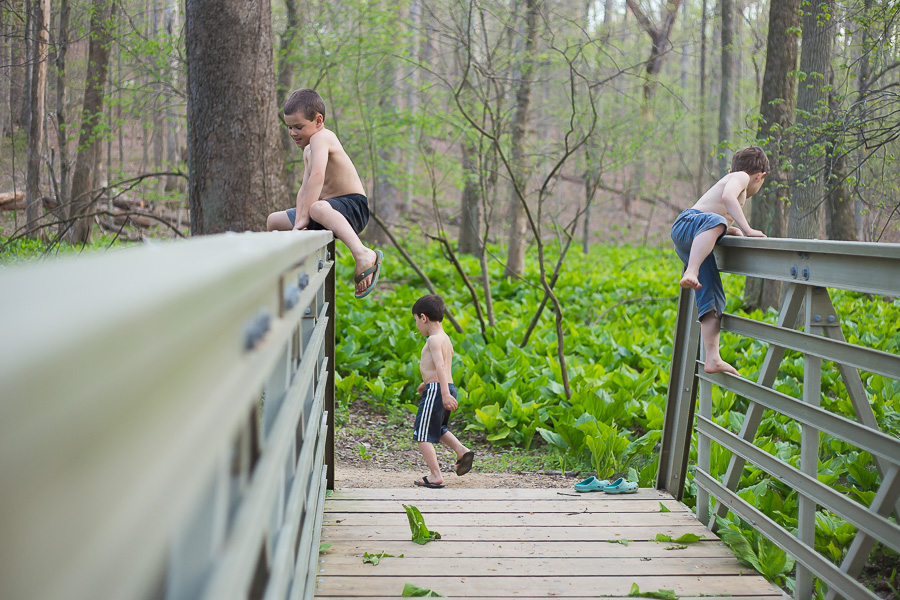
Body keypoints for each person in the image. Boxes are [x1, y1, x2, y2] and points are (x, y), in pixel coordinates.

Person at [267, 88, 383, 299]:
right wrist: (297, 225)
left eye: (298, 126)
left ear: (318, 120)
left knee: (317, 206)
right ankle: (284, 274)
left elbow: (317, 177)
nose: (293, 133)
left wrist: (304, 216)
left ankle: (363, 253)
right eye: (289, 127)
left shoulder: (323, 137)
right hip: (327, 209)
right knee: (274, 221)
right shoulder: (307, 150)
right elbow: (304, 189)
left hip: (353, 207)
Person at [670, 146, 769, 375]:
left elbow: (720, 216)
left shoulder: (736, 178)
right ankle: (691, 271)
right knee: (716, 221)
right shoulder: (741, 177)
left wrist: (731, 231)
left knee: (712, 296)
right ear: (759, 176)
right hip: (687, 224)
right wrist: (748, 229)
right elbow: (725, 200)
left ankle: (712, 358)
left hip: (694, 239)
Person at [410, 294, 474, 488]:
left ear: (423, 317)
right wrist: (427, 384)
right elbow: (443, 367)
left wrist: (442, 393)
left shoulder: (433, 340)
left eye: (415, 321)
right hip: (444, 386)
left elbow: (440, 367)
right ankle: (461, 450)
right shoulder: (445, 338)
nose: (417, 326)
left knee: (422, 434)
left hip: (439, 389)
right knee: (437, 430)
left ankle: (435, 475)